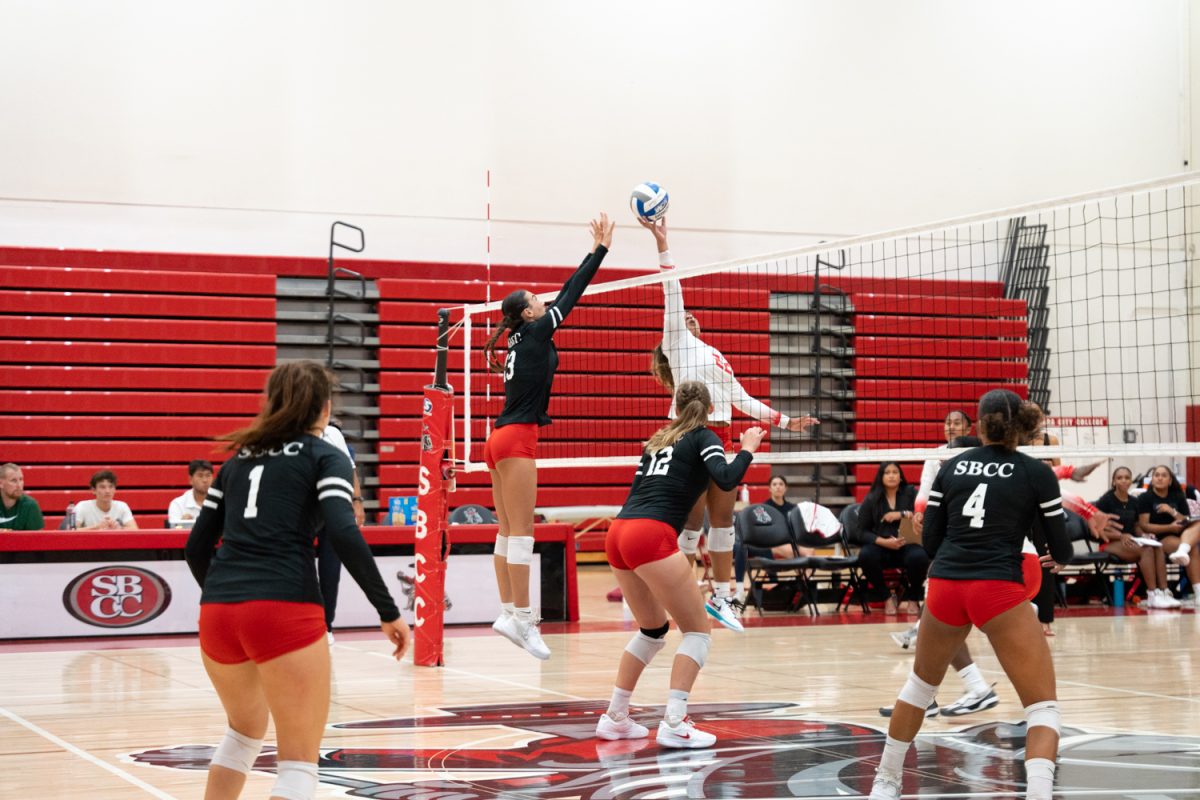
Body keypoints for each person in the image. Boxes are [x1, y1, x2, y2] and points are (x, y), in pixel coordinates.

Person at [185, 360, 409, 800]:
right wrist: (387, 611)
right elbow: (344, 532)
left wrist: (227, 595)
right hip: (284, 606)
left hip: (218, 614)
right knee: (298, 764)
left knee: (242, 736)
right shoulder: (326, 456)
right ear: (324, 408)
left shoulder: (235, 462)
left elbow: (195, 547)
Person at [868, 390, 1073, 800]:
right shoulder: (1037, 473)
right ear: (1022, 424)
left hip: (945, 585)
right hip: (997, 587)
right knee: (1042, 709)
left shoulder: (952, 465)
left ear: (977, 426)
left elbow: (931, 540)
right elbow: (1062, 549)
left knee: (918, 689)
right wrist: (1051, 559)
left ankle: (885, 785)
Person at [643, 216, 816, 631]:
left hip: (719, 434)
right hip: (688, 435)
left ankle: (724, 598)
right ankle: (675, 594)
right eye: (681, 320)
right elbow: (673, 291)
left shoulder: (715, 355)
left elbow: (741, 400)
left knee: (723, 524)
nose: (688, 320)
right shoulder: (678, 344)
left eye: (689, 319)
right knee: (687, 526)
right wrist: (663, 243)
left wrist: (786, 422)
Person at [597, 380, 764, 748]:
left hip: (619, 531)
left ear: (675, 406)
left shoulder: (658, 438)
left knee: (652, 630)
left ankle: (615, 717)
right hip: (649, 534)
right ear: (710, 409)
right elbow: (726, 478)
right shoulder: (704, 436)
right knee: (698, 632)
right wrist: (748, 449)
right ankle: (674, 721)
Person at [483, 212, 614, 660]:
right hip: (517, 440)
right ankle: (523, 620)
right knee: (521, 536)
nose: (545, 301)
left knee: (505, 533)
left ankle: (506, 611)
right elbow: (573, 291)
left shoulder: (521, 338)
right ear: (528, 312)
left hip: (496, 439)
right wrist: (600, 251)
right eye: (537, 299)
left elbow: (560, 293)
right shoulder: (539, 330)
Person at [1094, 466, 1177, 608]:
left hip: (1130, 541)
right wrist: (1120, 535)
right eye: (1119, 478)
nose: (1123, 481)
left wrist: (1144, 537)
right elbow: (1096, 529)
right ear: (1114, 481)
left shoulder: (1134, 501)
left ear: (1131, 481)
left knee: (1156, 547)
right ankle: (1152, 594)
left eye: (1127, 478)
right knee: (1146, 551)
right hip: (1109, 542)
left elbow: (1137, 525)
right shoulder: (1106, 501)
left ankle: (1164, 592)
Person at [316, 421, 366, 643]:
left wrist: (357, 501)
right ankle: (301, 624)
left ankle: (326, 626)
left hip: (332, 506)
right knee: (298, 567)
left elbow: (350, 467)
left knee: (330, 569)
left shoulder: (333, 433)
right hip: (299, 509)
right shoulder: (289, 431)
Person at [854, 462, 926, 615]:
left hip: (907, 544)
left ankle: (913, 598)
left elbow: (923, 514)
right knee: (865, 556)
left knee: (920, 557)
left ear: (901, 477)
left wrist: (901, 514)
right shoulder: (872, 498)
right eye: (887, 472)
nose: (892, 475)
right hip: (882, 545)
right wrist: (883, 542)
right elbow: (861, 532)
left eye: (895, 472)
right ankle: (886, 597)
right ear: (881, 477)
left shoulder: (911, 492)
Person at [1137, 465, 1200, 598]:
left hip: (1183, 533)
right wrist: (1169, 527)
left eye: (1164, 475)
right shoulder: (1145, 498)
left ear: (1170, 481)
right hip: (1162, 537)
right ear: (1152, 479)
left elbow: (1185, 519)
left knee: (1198, 524)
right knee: (1193, 549)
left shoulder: (1177, 496)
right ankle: (1198, 593)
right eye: (1157, 475)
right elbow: (1145, 526)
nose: (1160, 478)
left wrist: (1171, 511)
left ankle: (1183, 549)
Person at [73, 470, 138, 530]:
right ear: (93, 490)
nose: (107, 491)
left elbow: (135, 530)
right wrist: (97, 527)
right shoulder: (82, 506)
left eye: (111, 487)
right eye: (102, 487)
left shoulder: (122, 506)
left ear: (115, 489)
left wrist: (119, 528)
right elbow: (72, 531)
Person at [167, 459, 215, 527]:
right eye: (200, 476)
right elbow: (173, 532)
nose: (205, 480)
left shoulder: (221, 502)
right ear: (190, 480)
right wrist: (182, 525)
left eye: (208, 475)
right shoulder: (177, 505)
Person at [0, 463, 44, 530]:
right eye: (13, 480)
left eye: (21, 479)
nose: (19, 485)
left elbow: (38, 539)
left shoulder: (30, 506)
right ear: (1, 483)